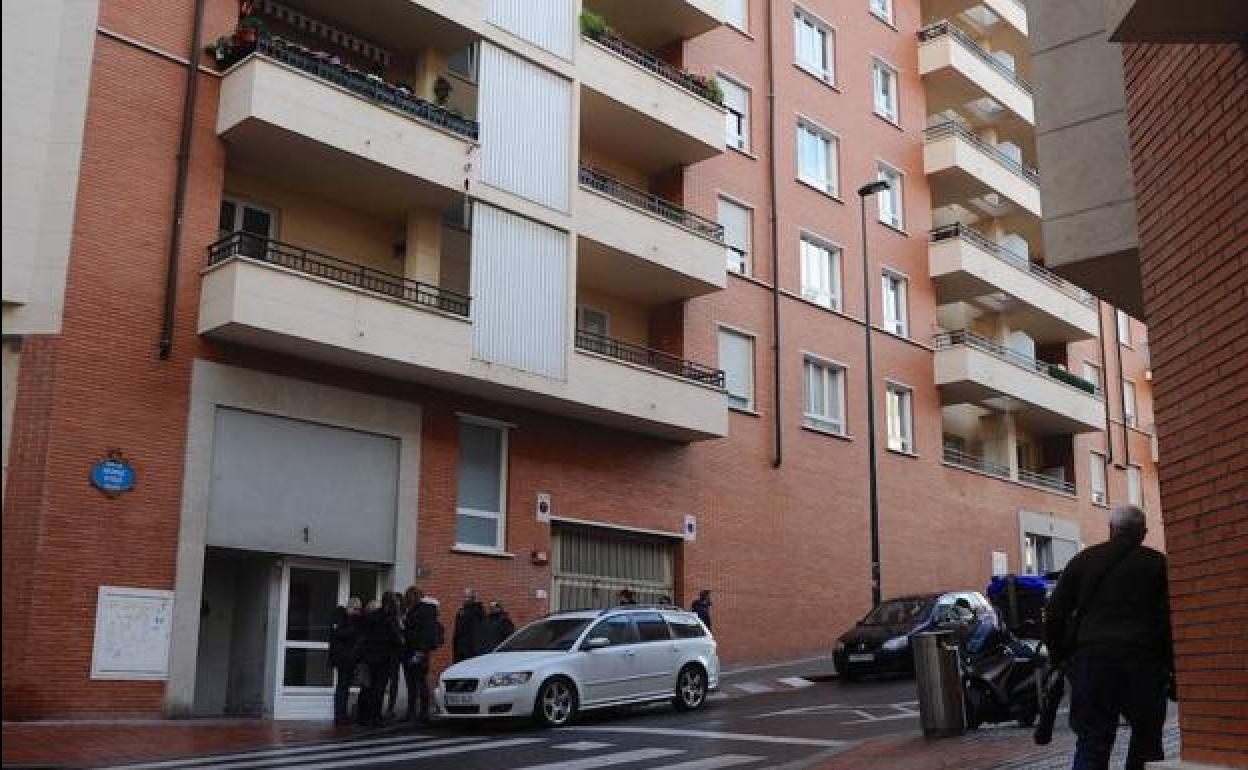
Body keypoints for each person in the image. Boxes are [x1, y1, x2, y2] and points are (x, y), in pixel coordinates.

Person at [1044, 505, 1173, 770]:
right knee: (1147, 743)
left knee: (1093, 740)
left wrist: (1062, 658)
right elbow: (1169, 620)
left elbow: (1054, 614)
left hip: (1093, 662)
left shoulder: (1082, 561)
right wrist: (1169, 666)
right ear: (1144, 533)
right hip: (1143, 663)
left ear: (1111, 529)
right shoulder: (1157, 564)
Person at [402, 586, 441, 724]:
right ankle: (412, 711)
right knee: (412, 683)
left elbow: (426, 633)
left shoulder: (424, 611)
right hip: (410, 651)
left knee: (419, 682)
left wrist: (421, 651)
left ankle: (423, 712)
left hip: (419, 651)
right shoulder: (413, 610)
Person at [329, 598, 362, 726]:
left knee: (345, 687)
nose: (357, 612)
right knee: (342, 687)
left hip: (349, 658)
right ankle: (339, 716)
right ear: (350, 607)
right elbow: (340, 633)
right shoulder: (339, 617)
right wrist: (354, 629)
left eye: (359, 609)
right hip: (342, 658)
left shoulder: (349, 620)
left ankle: (342, 715)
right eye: (355, 609)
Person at [379, 592, 404, 720]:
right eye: (396, 602)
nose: (398, 604)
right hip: (391, 653)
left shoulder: (398, 617)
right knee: (386, 681)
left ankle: (389, 708)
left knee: (391, 681)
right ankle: (386, 709)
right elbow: (397, 636)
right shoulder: (392, 618)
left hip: (393, 654)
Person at [452, 589, 489, 663]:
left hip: (474, 649)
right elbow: (457, 631)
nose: (465, 599)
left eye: (468, 597)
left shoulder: (478, 611)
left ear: (473, 598)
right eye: (465, 596)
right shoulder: (461, 611)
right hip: (461, 649)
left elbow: (482, 629)